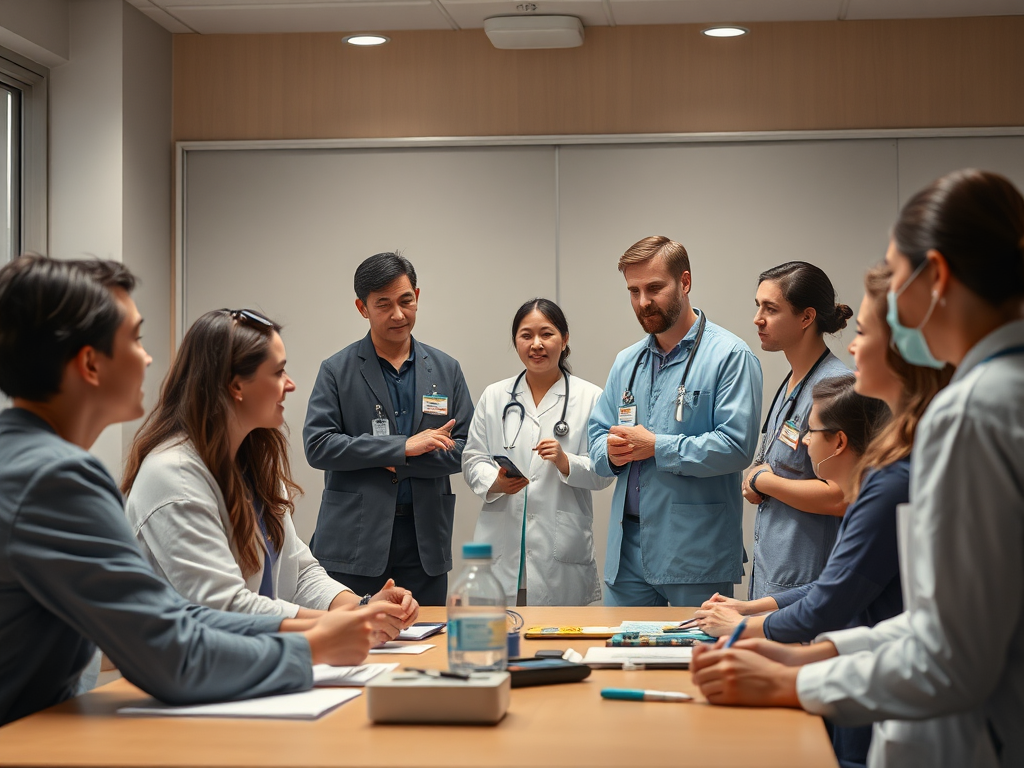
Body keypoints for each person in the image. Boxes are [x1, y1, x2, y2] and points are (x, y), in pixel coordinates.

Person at [691, 169, 1024, 768]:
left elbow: (951, 656)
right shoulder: (997, 394)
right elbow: (932, 621)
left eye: (896, 275)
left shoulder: (974, 412)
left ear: (936, 276)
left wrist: (793, 681)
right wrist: (808, 657)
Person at [0, 255, 404, 726]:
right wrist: (313, 644)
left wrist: (342, 619)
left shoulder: (32, 464)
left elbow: (178, 619)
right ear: (90, 363)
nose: (148, 357)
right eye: (135, 338)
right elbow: (172, 653)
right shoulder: (56, 479)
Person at [695, 267, 952, 768]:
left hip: (881, 676)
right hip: (836, 630)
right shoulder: (885, 466)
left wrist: (769, 646)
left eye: (865, 334)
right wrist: (761, 619)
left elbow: (836, 600)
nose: (853, 347)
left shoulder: (887, 476)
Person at [122, 309, 419, 634]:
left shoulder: (251, 463)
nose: (290, 384)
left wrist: (362, 607)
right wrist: (349, 624)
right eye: (278, 372)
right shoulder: (173, 479)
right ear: (236, 386)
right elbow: (227, 607)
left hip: (248, 654)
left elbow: (299, 572)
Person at [588, 236, 763, 606]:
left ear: (685, 282)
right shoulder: (627, 361)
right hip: (628, 551)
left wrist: (656, 447)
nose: (643, 302)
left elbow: (736, 447)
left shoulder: (730, 356)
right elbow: (597, 435)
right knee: (621, 645)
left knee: (697, 645)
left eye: (654, 288)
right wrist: (611, 453)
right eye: (633, 291)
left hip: (696, 549)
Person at [304, 251, 474, 606]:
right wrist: (401, 448)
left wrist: (401, 462)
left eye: (406, 301)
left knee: (427, 632)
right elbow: (319, 445)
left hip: (424, 542)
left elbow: (466, 449)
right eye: (383, 304)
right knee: (354, 633)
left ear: (417, 296)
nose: (398, 314)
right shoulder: (336, 370)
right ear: (362, 308)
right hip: (354, 539)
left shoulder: (446, 369)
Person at [462, 299, 613, 606]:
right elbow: (472, 458)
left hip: (559, 553)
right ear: (516, 341)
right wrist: (496, 482)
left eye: (546, 334)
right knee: (501, 629)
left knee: (557, 631)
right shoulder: (495, 396)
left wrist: (565, 461)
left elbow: (604, 470)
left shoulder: (590, 397)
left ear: (564, 339)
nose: (536, 344)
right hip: (502, 545)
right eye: (526, 335)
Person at [744, 262, 853, 600]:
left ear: (806, 317)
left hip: (805, 583)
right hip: (774, 574)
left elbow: (841, 495)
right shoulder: (794, 380)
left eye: (771, 308)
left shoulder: (836, 386)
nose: (758, 318)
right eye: (758, 306)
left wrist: (763, 481)